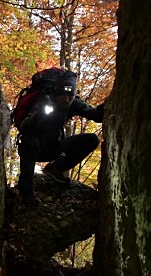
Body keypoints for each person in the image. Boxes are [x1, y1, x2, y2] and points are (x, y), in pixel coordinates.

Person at [17, 70, 104, 205]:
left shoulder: (73, 103)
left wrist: (108, 104)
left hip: (55, 147)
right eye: (64, 95)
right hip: (34, 148)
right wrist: (39, 116)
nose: (68, 99)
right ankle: (26, 193)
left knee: (92, 139)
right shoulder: (44, 101)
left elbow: (96, 115)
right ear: (57, 93)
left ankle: (56, 168)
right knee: (30, 143)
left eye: (71, 95)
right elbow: (23, 127)